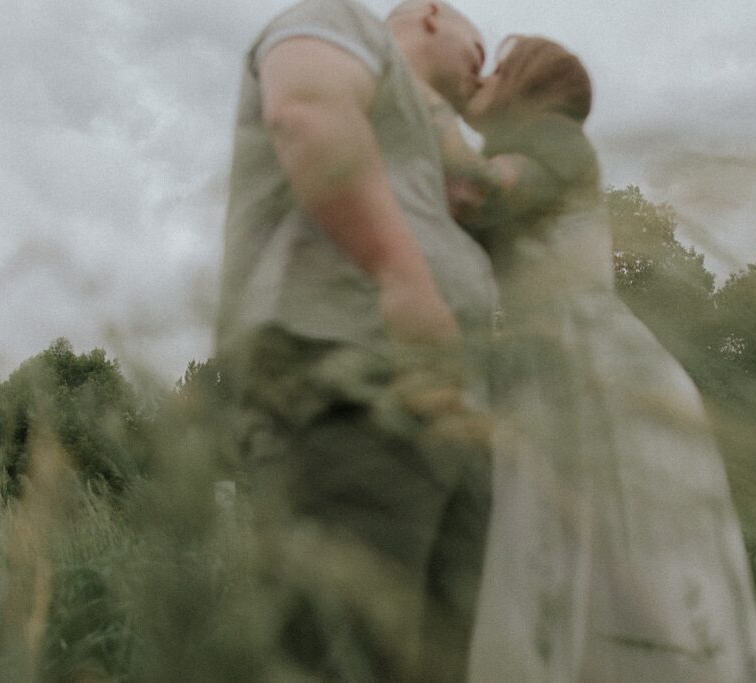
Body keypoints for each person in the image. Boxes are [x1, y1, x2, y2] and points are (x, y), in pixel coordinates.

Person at [425, 36, 756, 680]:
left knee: (626, 581)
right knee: (573, 570)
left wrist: (430, 108)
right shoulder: (529, 147)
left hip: (598, 372)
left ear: (529, 88)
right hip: (562, 363)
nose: (483, 77)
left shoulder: (556, 138)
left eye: (499, 68)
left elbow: (476, 196)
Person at [215, 1, 496, 679]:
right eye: (478, 49)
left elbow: (484, 198)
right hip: (352, 376)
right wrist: (404, 280)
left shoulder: (420, 128)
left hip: (443, 406)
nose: (481, 71)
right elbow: (306, 110)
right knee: (343, 656)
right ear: (430, 14)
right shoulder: (341, 19)